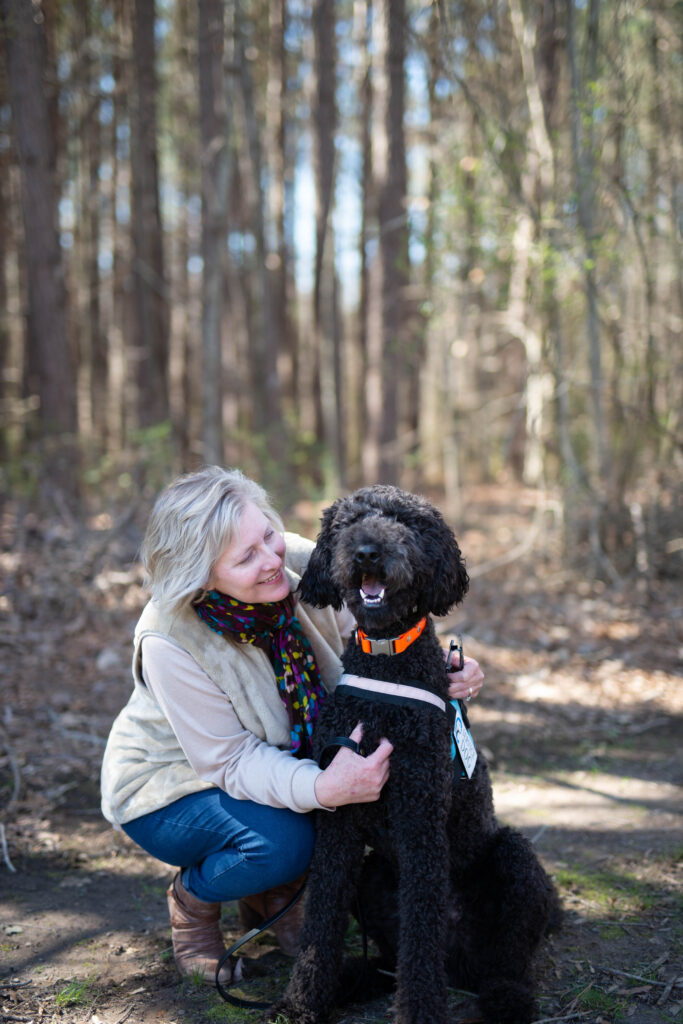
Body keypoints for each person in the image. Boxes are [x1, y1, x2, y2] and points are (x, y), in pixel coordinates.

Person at [100, 466, 484, 984]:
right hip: (174, 785)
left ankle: (274, 894)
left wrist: (443, 672)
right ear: (202, 576)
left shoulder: (301, 561)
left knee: (337, 811)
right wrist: (323, 788)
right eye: (245, 557)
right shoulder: (169, 638)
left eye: (268, 534)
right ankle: (194, 903)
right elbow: (229, 760)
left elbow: (382, 638)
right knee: (288, 841)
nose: (271, 559)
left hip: (280, 758)